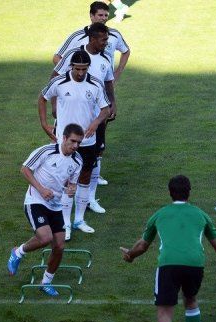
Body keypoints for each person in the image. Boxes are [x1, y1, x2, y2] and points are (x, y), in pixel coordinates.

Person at [120, 175, 216, 322]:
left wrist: (130, 255)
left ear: (169, 193)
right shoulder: (201, 214)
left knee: (164, 312)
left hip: (168, 265)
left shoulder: (160, 214)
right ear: (189, 192)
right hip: (195, 265)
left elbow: (142, 245)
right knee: (191, 299)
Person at [54, 1, 130, 188]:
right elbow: (58, 58)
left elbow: (126, 52)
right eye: (100, 15)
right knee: (70, 133)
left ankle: (92, 173)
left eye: (106, 15)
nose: (104, 18)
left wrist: (116, 74)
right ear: (91, 16)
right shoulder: (77, 38)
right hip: (75, 96)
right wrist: (68, 80)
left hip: (99, 96)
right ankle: (64, 174)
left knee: (97, 139)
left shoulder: (112, 37)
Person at [39, 50, 110, 240]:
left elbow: (105, 108)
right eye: (77, 69)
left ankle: (79, 220)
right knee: (66, 182)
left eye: (84, 69)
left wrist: (95, 123)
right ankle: (65, 223)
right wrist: (44, 124)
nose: (80, 73)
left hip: (88, 141)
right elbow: (42, 98)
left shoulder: (95, 84)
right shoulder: (59, 82)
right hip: (65, 141)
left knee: (85, 177)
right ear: (71, 66)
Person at [7, 124, 84, 296]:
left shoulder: (78, 160)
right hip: (36, 200)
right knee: (45, 237)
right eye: (73, 141)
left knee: (60, 246)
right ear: (64, 138)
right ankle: (18, 252)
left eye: (79, 142)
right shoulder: (46, 151)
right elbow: (25, 169)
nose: (76, 146)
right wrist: (41, 189)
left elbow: (71, 184)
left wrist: (72, 190)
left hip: (55, 205)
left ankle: (46, 282)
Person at [54, 22, 116, 215]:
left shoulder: (106, 57)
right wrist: (55, 107)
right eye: (104, 39)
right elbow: (54, 77)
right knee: (66, 160)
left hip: (97, 115)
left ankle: (89, 198)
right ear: (93, 38)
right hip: (72, 116)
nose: (107, 42)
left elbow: (108, 81)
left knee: (96, 156)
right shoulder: (75, 54)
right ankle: (60, 205)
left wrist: (113, 103)